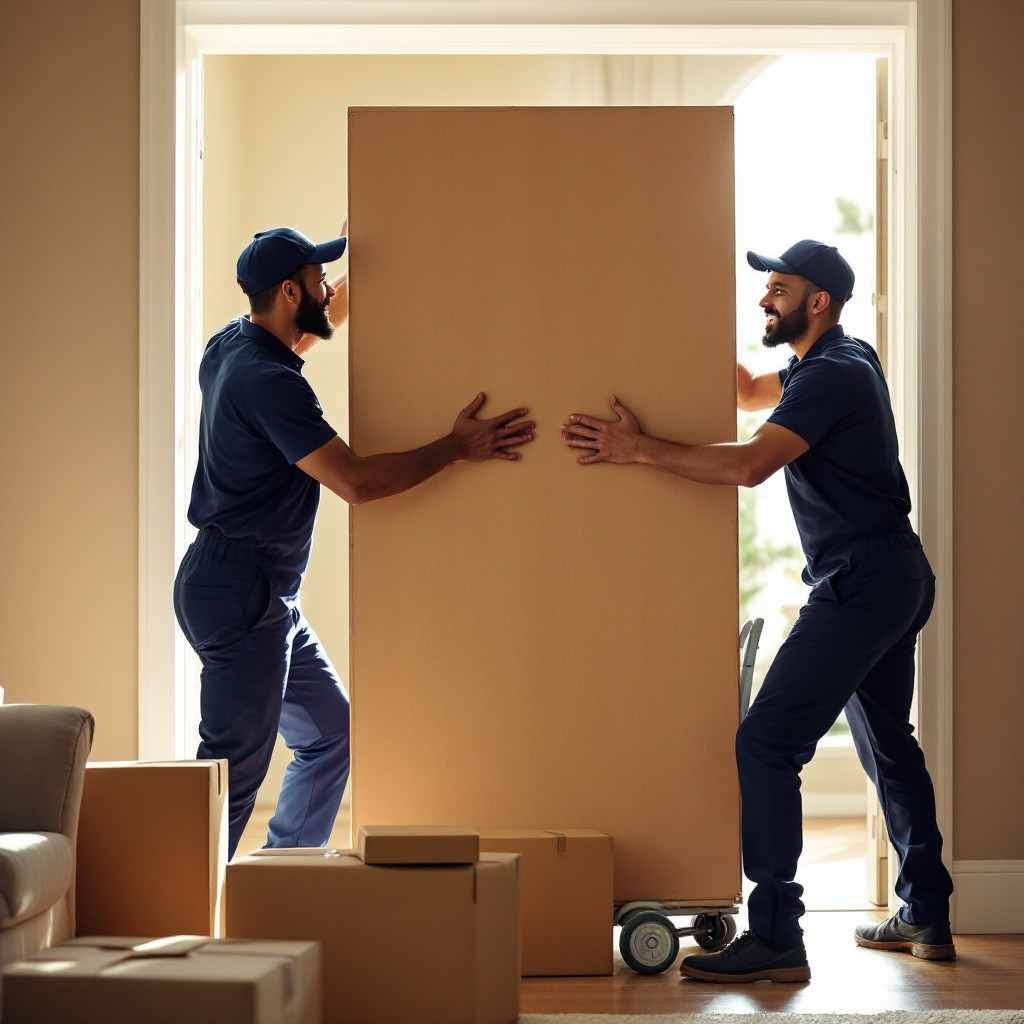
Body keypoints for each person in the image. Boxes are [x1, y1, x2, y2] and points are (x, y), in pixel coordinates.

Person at [561, 239, 954, 982]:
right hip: (893, 576)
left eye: (779, 289)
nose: (764, 299)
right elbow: (745, 390)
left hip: (863, 580)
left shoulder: (831, 374)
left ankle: (775, 935)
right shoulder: (833, 361)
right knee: (889, 746)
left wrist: (638, 449)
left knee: (767, 741)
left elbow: (747, 465)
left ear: (818, 302)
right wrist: (681, 310)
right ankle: (926, 912)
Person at [174, 226, 535, 859]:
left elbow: (310, 327)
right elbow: (357, 483)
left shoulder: (232, 342)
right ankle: (179, 905)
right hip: (241, 591)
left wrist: (371, 243)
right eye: (318, 282)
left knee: (332, 735)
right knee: (232, 776)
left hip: (251, 587)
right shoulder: (270, 382)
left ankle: (283, 877)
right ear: (289, 293)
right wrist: (457, 447)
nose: (328, 290)